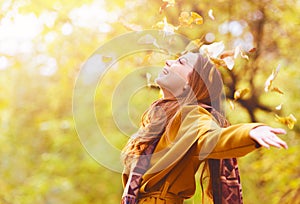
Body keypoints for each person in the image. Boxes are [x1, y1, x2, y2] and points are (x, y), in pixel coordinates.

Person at [121, 52, 288, 204]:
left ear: (190, 83)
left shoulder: (192, 114)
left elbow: (213, 137)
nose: (168, 61)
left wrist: (249, 132)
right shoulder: (158, 119)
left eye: (181, 61)